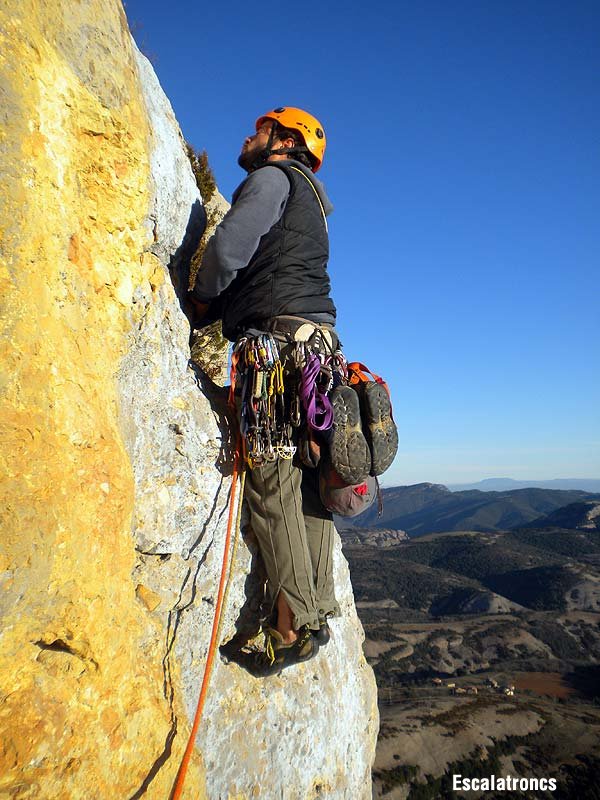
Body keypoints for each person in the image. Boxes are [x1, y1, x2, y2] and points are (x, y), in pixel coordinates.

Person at [189, 107, 342, 677]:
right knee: (308, 484)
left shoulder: (272, 179)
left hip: (278, 353)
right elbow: (268, 267)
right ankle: (316, 608)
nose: (247, 136)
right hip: (318, 353)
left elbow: (231, 245)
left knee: (274, 483)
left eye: (259, 129)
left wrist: (203, 300)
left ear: (283, 140)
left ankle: (291, 624)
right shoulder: (312, 204)